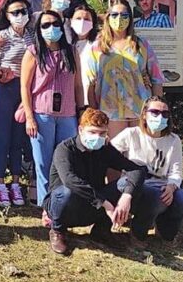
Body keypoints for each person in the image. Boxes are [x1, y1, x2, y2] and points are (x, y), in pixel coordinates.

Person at [45, 108, 147, 255]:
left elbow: (136, 169)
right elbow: (70, 180)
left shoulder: (105, 149)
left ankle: (101, 231)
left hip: (93, 207)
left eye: (102, 133)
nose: (97, 137)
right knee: (67, 191)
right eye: (92, 132)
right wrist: (104, 202)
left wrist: (127, 196)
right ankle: (58, 230)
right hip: (65, 206)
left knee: (128, 183)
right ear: (81, 130)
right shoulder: (65, 149)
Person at [110, 96, 183, 244]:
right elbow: (108, 153)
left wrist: (172, 186)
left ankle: (164, 229)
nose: (160, 117)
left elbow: (176, 170)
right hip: (133, 182)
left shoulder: (173, 140)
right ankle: (138, 234)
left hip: (161, 183)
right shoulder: (131, 134)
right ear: (144, 114)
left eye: (165, 113)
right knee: (156, 198)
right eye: (154, 112)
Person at [21, 10, 78, 213]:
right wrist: (30, 118)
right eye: (45, 25)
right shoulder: (33, 52)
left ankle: (64, 204)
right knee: (43, 164)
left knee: (66, 163)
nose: (51, 28)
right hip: (41, 114)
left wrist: (80, 112)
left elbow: (77, 85)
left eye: (55, 24)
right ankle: (47, 208)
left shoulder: (71, 51)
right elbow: (25, 87)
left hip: (68, 115)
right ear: (38, 29)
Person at [0, 0, 34, 207]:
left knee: (18, 138)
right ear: (7, 15)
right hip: (4, 89)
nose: (20, 16)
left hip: (25, 90)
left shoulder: (32, 36)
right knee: (2, 135)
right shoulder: (1, 36)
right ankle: (1, 183)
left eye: (23, 11)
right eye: (15, 12)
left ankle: (15, 182)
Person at [86, 0, 164, 139]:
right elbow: (90, 83)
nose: (119, 18)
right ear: (108, 17)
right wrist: (94, 112)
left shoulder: (141, 45)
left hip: (140, 109)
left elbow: (157, 79)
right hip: (111, 111)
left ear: (130, 18)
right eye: (115, 15)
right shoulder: (97, 47)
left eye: (124, 15)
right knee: (117, 155)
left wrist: (157, 109)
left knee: (141, 155)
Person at [71, 4, 100, 114]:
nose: (82, 22)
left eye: (87, 19)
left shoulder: (98, 44)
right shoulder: (67, 45)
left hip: (91, 101)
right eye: (78, 18)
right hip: (69, 102)